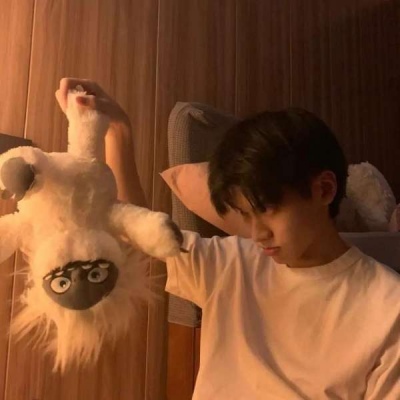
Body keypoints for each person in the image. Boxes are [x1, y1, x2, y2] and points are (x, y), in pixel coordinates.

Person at [56, 78, 400, 400]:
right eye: (245, 215)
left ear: (324, 190)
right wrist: (117, 131)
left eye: (268, 210)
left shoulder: (387, 308)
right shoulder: (229, 262)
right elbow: (135, 230)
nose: (258, 233)